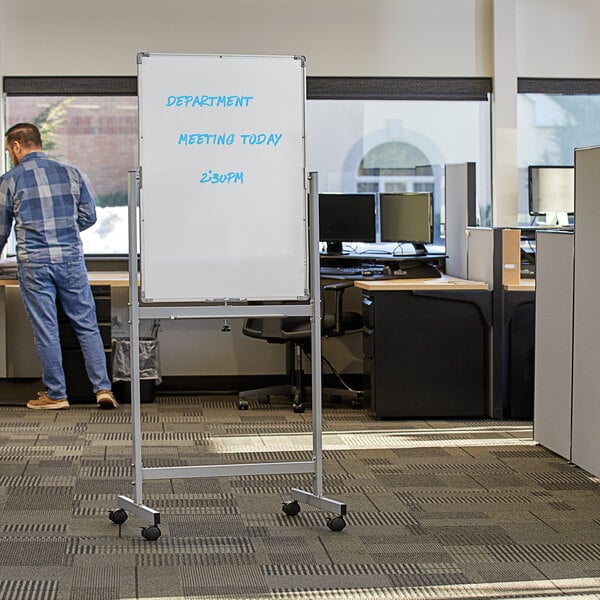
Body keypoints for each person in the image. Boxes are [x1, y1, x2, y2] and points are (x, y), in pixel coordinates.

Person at [0, 122, 117, 410]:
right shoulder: (71, 173)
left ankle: (56, 395)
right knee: (87, 326)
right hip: (70, 261)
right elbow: (89, 216)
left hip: (35, 264)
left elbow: (1, 229)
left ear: (16, 146)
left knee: (46, 328)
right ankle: (103, 389)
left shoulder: (10, 180)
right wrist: (63, 230)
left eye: (8, 149)